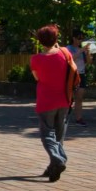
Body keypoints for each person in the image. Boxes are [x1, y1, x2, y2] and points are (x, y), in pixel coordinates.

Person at [30, 25, 78, 182]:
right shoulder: (65, 54)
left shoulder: (36, 59)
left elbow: (37, 79)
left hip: (46, 100)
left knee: (47, 135)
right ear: (56, 39)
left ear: (40, 41)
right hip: (64, 99)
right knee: (59, 135)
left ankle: (58, 159)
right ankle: (53, 168)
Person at [64, 30, 91, 126]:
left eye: (82, 38)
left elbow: (88, 62)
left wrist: (87, 53)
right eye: (79, 38)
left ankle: (79, 118)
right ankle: (64, 116)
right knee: (69, 97)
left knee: (79, 97)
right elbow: (70, 58)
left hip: (81, 74)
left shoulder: (82, 49)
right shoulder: (69, 48)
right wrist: (81, 50)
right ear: (73, 38)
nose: (80, 40)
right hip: (72, 74)